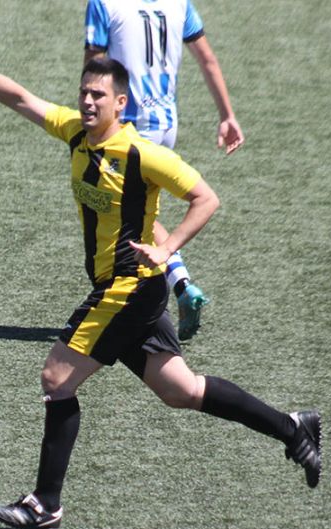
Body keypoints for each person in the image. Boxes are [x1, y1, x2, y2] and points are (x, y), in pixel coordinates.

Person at [0, 20, 320, 529]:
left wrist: (167, 248)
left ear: (121, 103)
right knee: (180, 390)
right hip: (124, 290)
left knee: (56, 378)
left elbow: (206, 199)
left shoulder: (144, 154)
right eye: (84, 93)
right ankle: (291, 427)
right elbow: (23, 100)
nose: (88, 102)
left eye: (98, 95)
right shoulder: (76, 132)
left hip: (128, 287)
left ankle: (44, 504)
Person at [84, 0, 246, 340]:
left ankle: (173, 288)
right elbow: (207, 59)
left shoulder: (104, 3)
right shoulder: (179, 3)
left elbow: (95, 68)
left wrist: (89, 119)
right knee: (143, 212)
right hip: (165, 126)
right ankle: (175, 286)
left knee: (129, 219)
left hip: (125, 128)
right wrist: (227, 115)